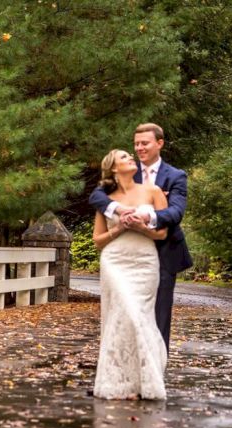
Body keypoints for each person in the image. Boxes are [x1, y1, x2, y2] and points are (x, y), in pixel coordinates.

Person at [90, 123, 192, 353]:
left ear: (159, 143)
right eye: (136, 144)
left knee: (159, 315)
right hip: (126, 256)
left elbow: (175, 213)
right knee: (124, 313)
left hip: (164, 251)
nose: (139, 148)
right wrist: (117, 209)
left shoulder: (175, 176)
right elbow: (97, 196)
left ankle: (155, 374)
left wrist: (145, 214)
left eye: (144, 143)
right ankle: (124, 370)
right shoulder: (127, 171)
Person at [92, 149, 168, 400]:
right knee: (121, 315)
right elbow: (98, 240)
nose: (131, 158)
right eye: (124, 157)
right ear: (113, 168)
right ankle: (118, 383)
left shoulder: (152, 191)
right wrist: (121, 227)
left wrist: (140, 227)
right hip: (114, 261)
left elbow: (162, 234)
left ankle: (144, 380)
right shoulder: (105, 199)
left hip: (145, 261)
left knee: (140, 316)